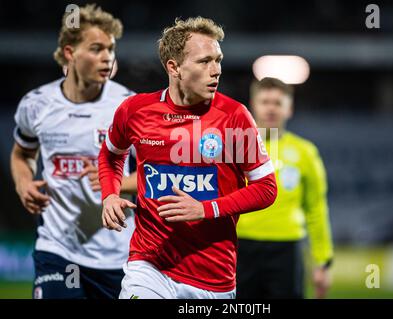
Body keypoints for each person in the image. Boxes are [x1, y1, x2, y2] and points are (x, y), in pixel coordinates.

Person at [98, 17, 278, 299]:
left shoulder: (234, 116)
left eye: (218, 60)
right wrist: (109, 194)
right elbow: (110, 154)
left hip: (213, 279)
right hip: (149, 267)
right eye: (205, 61)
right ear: (174, 67)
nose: (216, 70)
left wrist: (207, 208)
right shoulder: (135, 111)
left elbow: (266, 188)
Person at [10, 4, 136, 299]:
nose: (107, 57)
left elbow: (157, 173)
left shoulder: (128, 107)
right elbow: (22, 153)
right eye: (96, 49)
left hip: (118, 254)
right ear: (70, 53)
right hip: (58, 248)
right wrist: (23, 182)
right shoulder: (37, 105)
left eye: (110, 49)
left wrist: (116, 182)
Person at [236, 77, 334, 299]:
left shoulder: (305, 152)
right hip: (240, 246)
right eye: (265, 101)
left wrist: (322, 261)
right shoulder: (235, 148)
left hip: (287, 249)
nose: (271, 108)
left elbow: (316, 209)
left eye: (278, 103)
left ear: (290, 109)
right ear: (253, 105)